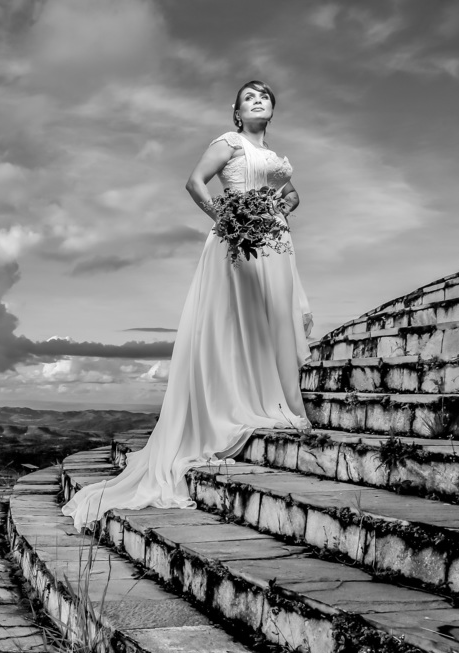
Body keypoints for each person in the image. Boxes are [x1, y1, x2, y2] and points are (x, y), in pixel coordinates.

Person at [62, 80, 313, 531]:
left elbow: (292, 194)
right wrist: (228, 217)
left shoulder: (274, 157)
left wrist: (276, 208)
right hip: (237, 243)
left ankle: (272, 398)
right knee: (233, 322)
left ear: (273, 110)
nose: (258, 101)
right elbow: (194, 182)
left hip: (274, 244)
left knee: (269, 320)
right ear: (236, 111)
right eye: (249, 97)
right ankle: (233, 403)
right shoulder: (228, 143)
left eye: (265, 97)